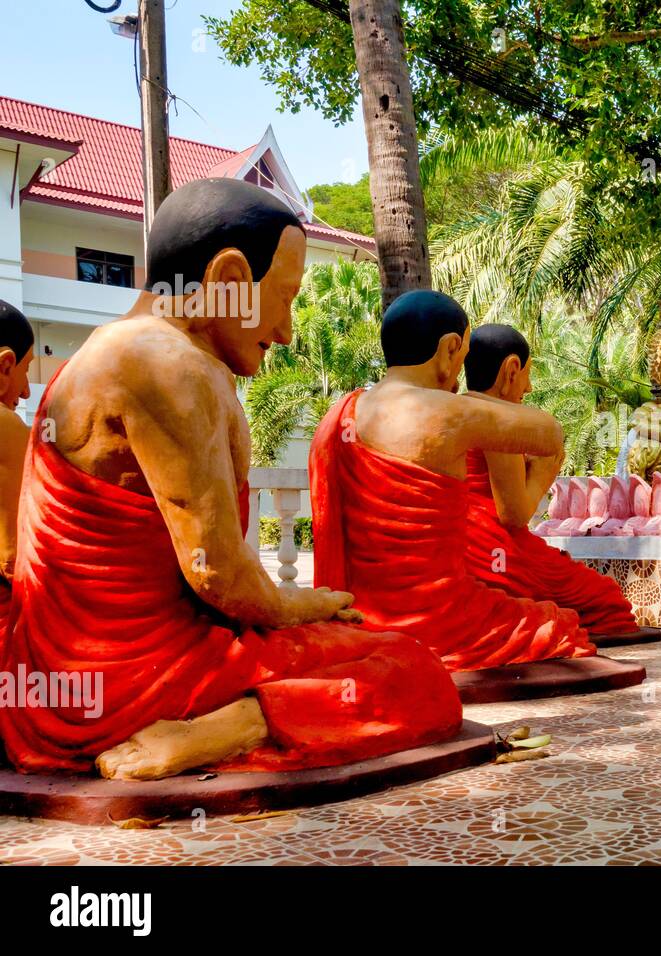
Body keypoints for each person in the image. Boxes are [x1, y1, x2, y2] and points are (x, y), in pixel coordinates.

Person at [0, 179, 461, 779]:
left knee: (367, 646)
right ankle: (240, 725)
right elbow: (217, 573)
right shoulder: (166, 363)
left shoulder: (107, 351)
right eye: (286, 298)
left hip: (58, 681)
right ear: (229, 283)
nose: (288, 331)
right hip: (134, 681)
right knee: (414, 669)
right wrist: (305, 604)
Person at [309, 293, 596, 670]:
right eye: (461, 360)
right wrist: (484, 403)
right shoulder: (447, 411)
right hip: (440, 619)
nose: (460, 376)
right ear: (449, 348)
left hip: (359, 614)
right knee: (560, 625)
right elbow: (550, 434)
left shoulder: (338, 415)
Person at [461, 323, 651, 640]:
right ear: (511, 370)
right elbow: (513, 515)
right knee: (607, 602)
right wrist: (543, 473)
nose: (530, 386)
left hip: (463, 545)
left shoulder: (456, 410)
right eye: (527, 372)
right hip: (495, 546)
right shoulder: (498, 419)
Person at [0, 299, 34, 627]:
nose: (24, 392)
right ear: (5, 367)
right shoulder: (5, 426)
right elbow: (12, 558)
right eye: (26, 369)